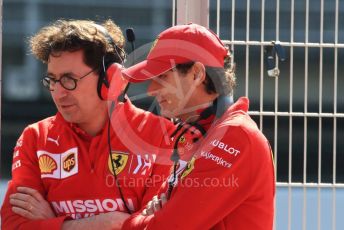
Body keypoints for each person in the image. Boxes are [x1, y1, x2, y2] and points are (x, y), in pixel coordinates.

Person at [0, 19, 176, 230]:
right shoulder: (35, 137)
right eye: (52, 80)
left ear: (110, 79)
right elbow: (14, 224)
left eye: (69, 79)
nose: (58, 92)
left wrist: (50, 222)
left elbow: (157, 225)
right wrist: (95, 224)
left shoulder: (161, 135)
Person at [120, 23, 275, 229]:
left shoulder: (234, 136)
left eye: (162, 77)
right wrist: (152, 218)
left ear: (196, 74)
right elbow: (159, 217)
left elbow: (168, 226)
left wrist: (128, 223)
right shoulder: (197, 132)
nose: (151, 90)